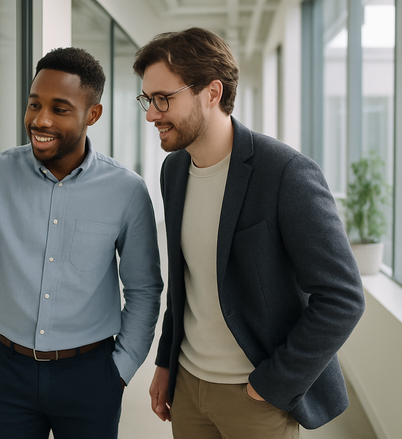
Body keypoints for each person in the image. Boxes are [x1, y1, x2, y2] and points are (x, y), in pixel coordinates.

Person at [0, 47, 163, 439]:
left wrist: (119, 371)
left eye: (59, 108)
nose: (40, 119)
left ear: (93, 114)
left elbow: (144, 291)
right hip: (7, 375)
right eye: (34, 104)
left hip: (90, 376)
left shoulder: (127, 190)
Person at [132, 28, 366, 439]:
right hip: (187, 387)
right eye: (147, 100)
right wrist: (166, 361)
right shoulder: (174, 171)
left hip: (255, 396)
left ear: (212, 92)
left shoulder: (285, 174)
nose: (151, 114)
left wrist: (273, 382)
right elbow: (185, 283)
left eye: (163, 98)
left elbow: (343, 296)